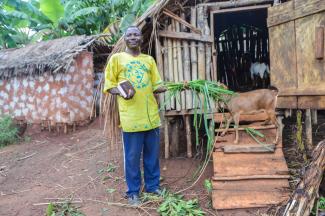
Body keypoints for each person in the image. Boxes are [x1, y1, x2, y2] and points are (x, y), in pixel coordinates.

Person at [103, 26, 166, 206]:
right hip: (131, 118)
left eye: (136, 34)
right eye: (129, 34)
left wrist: (176, 86)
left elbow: (156, 85)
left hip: (151, 116)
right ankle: (133, 192)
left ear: (141, 38)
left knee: (152, 155)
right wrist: (122, 92)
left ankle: (153, 186)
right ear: (124, 38)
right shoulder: (117, 59)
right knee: (132, 157)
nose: (133, 37)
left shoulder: (149, 60)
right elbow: (109, 86)